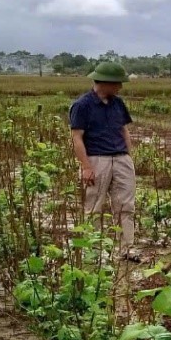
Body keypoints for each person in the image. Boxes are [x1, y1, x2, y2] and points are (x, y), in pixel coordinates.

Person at [69, 61, 137, 258]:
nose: (120, 87)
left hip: (121, 158)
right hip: (97, 159)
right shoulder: (82, 105)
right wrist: (86, 167)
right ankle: (94, 252)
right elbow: (77, 137)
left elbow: (124, 129)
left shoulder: (118, 103)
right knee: (94, 206)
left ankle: (127, 248)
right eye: (117, 83)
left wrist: (128, 156)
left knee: (126, 205)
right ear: (105, 82)